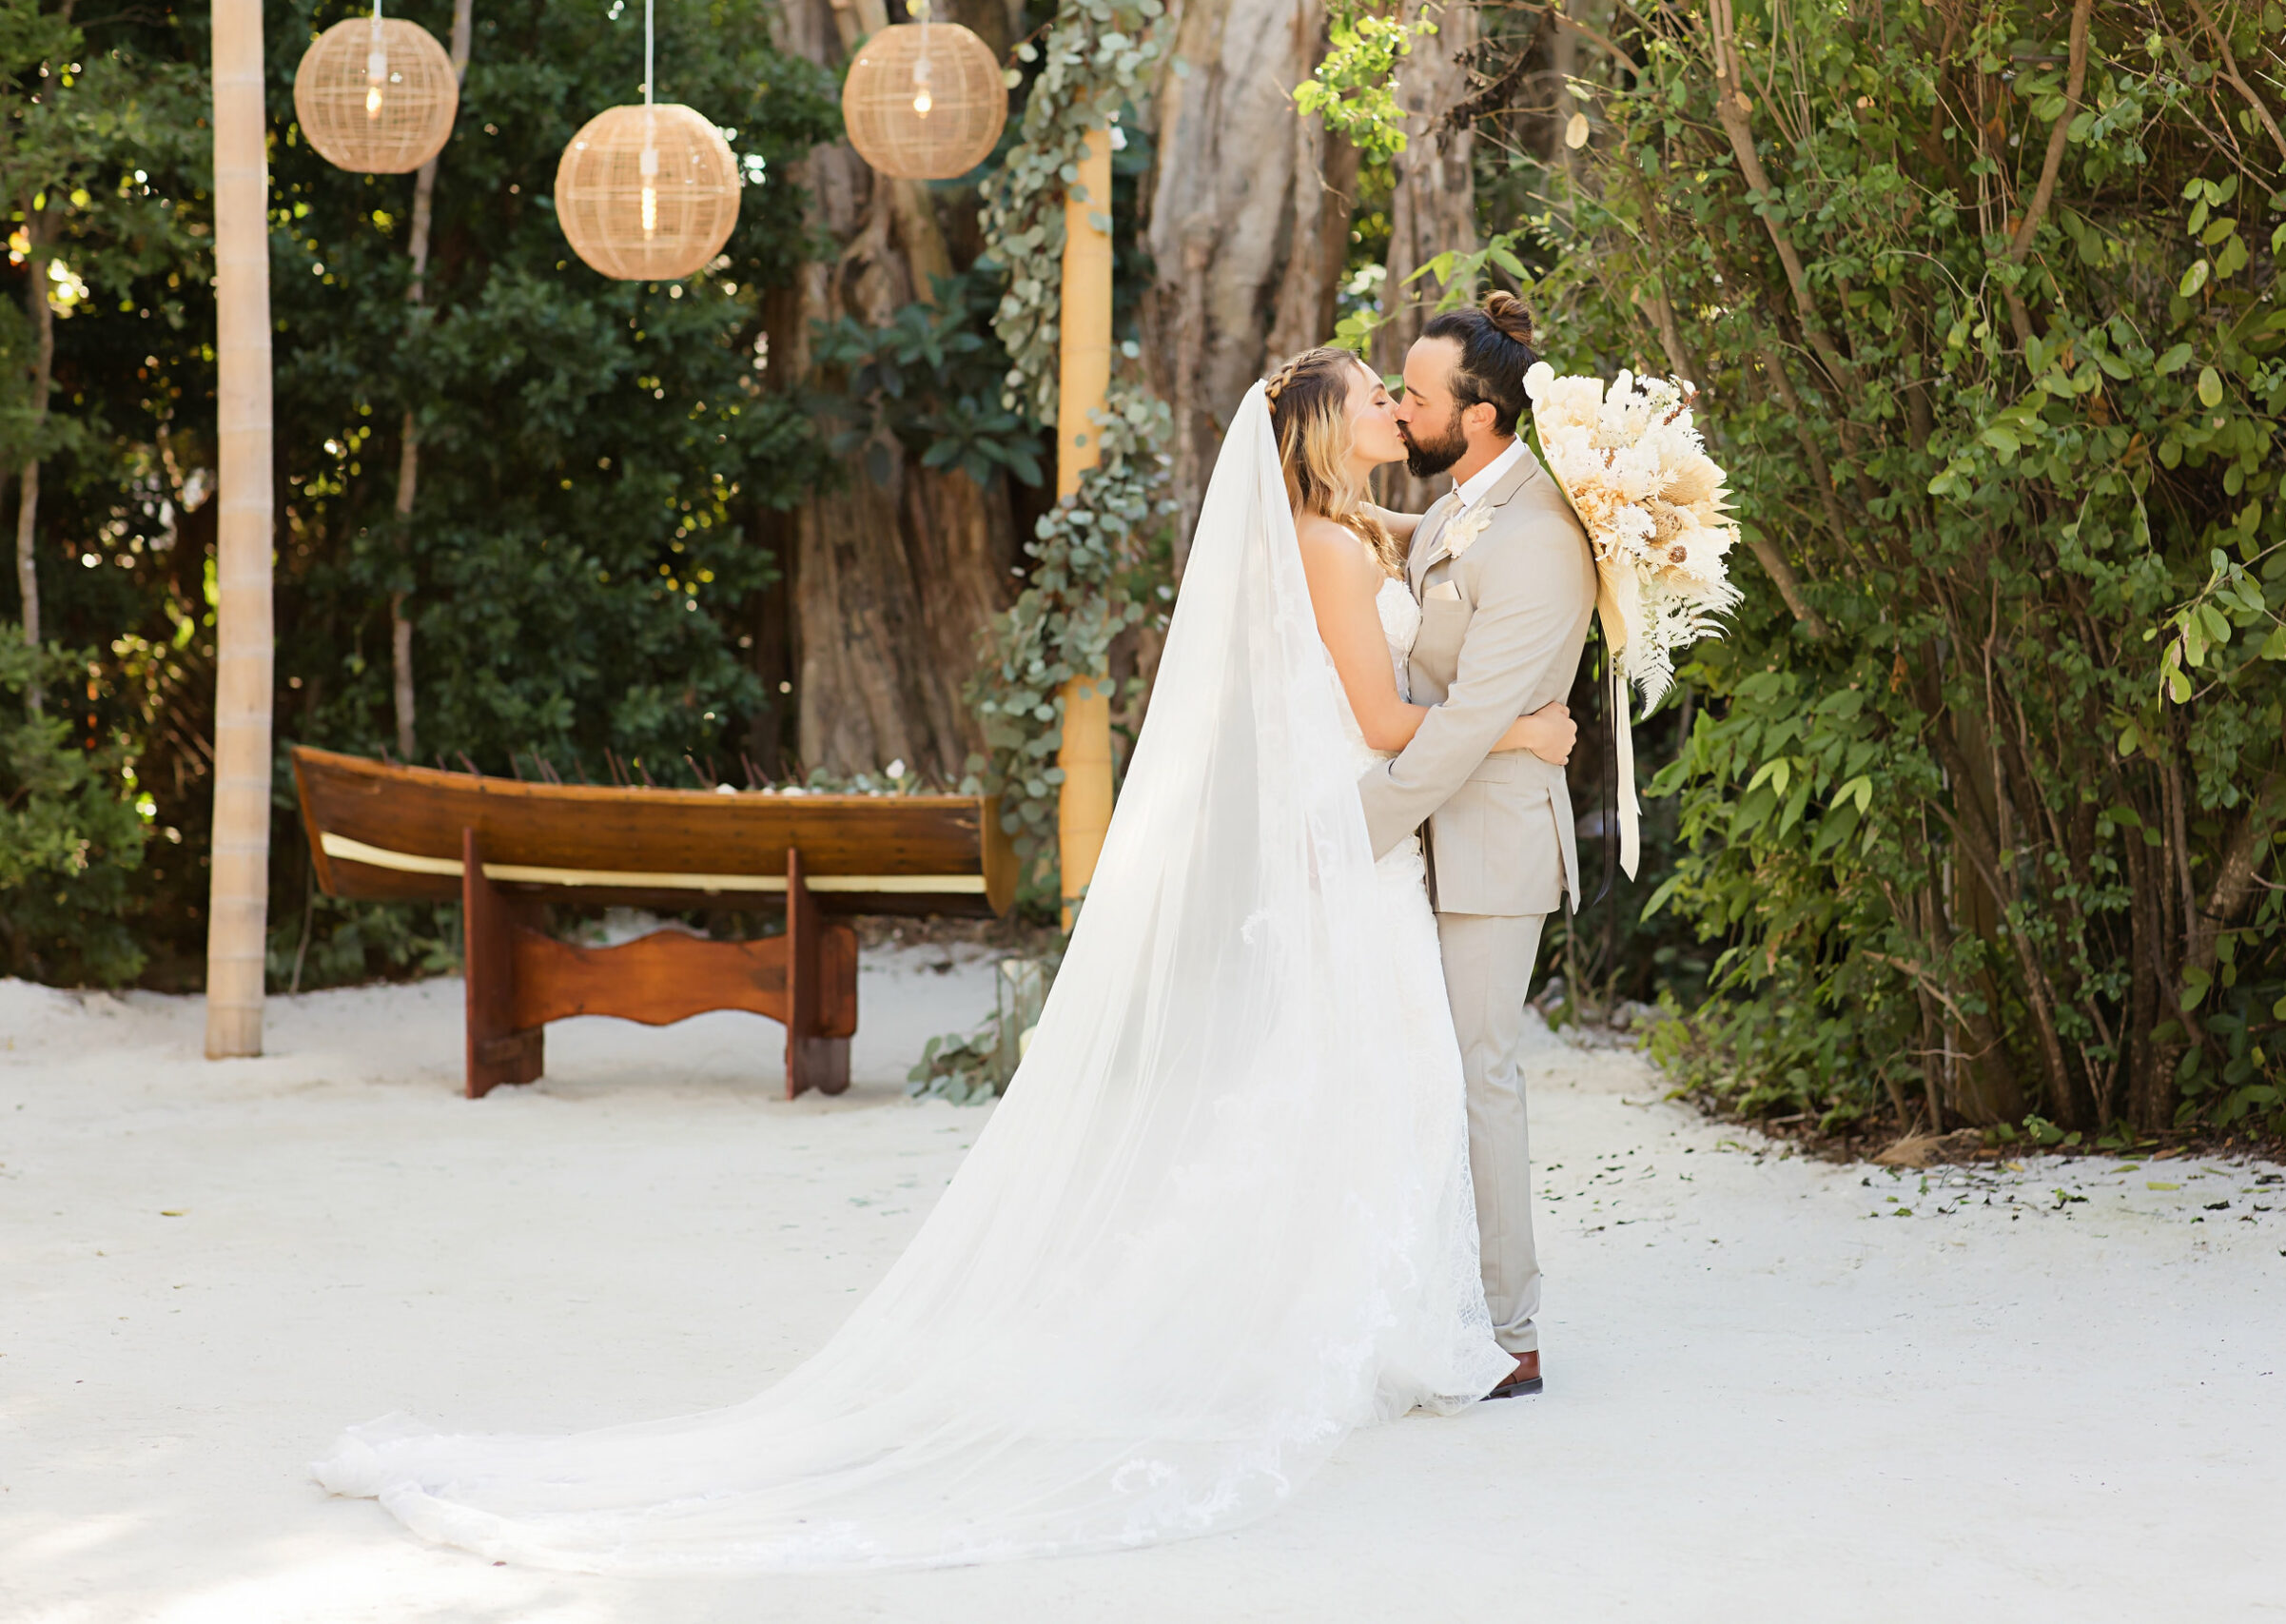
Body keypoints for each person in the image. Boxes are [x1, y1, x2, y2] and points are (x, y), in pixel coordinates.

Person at [312, 340, 1572, 1575]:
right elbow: (1386, 719)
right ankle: (1359, 1313)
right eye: (1367, 397)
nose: (1387, 410)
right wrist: (1522, 728)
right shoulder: (1330, 546)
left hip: (1355, 840)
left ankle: (1364, 1300)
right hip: (1360, 836)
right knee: (1375, 1067)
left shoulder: (1345, 539)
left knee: (1355, 1072)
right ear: (1317, 429)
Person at [1359, 292, 1598, 1401]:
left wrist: (1354, 824)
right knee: (1427, 1075)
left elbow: (1464, 726)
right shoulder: (1469, 502)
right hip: (1433, 835)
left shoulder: (1542, 540)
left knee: (1479, 1078)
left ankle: (1510, 1332)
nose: (1398, 410)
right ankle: (1439, 1296)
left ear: (1486, 413)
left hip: (1491, 847)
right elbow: (1424, 560)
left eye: (1413, 396)